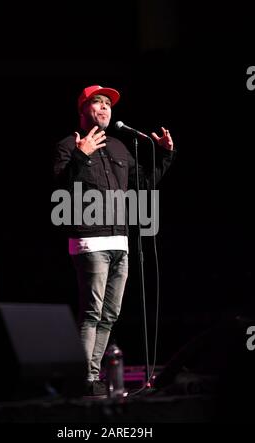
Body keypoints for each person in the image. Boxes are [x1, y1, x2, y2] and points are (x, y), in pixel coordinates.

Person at [53, 85, 175, 395]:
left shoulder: (120, 148)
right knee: (92, 312)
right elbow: (60, 189)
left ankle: (91, 378)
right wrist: (81, 157)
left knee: (110, 314)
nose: (105, 108)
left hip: (120, 242)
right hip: (90, 242)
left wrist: (163, 154)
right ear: (83, 111)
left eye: (108, 103)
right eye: (97, 102)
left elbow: (144, 184)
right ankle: (83, 379)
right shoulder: (70, 145)